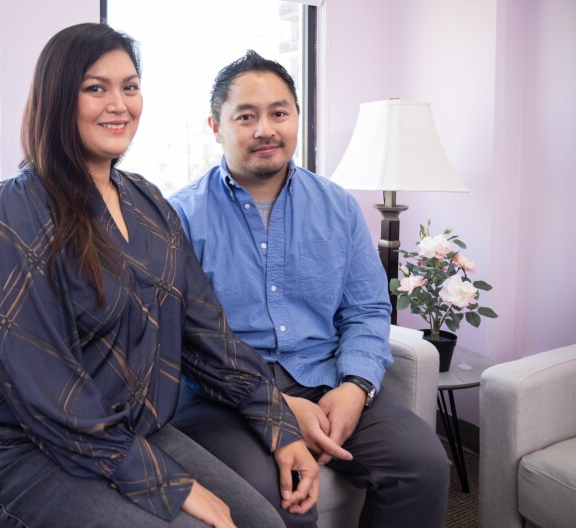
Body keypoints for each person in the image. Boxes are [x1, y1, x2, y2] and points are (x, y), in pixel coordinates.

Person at [0, 25, 320, 528]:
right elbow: (44, 386)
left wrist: (279, 425)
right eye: (95, 88)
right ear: (58, 98)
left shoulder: (147, 203)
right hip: (21, 445)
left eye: (130, 86)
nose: (119, 104)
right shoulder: (13, 207)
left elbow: (208, 335)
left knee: (267, 521)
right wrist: (169, 484)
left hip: (125, 428)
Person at [169, 50, 451, 528]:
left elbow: (365, 309)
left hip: (323, 377)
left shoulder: (337, 206)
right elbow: (183, 339)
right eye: (246, 116)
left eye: (279, 113)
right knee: (283, 497)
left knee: (423, 464)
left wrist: (356, 387)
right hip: (222, 397)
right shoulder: (179, 216)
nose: (266, 129)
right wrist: (276, 407)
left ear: (297, 118)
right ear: (215, 127)